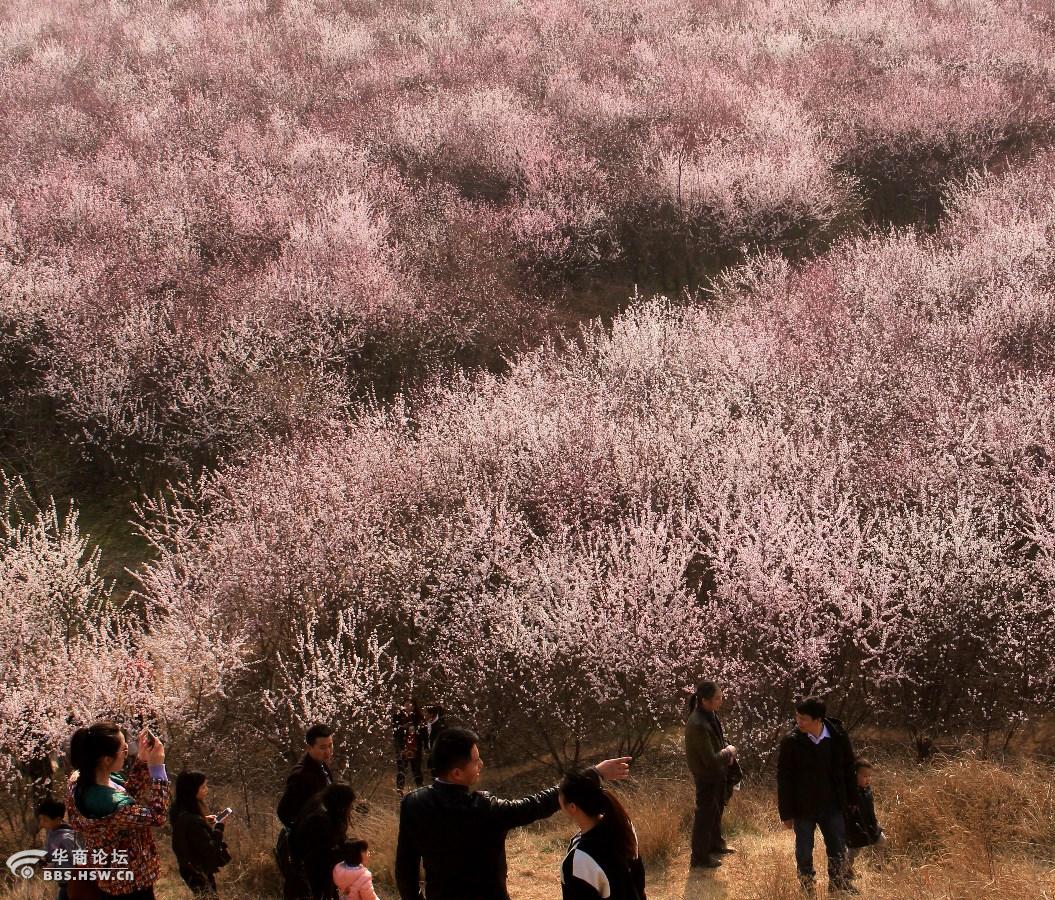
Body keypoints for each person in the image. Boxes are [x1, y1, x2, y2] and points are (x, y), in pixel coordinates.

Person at [395, 726, 631, 900]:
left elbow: (405, 869)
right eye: (476, 760)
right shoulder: (484, 809)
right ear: (457, 773)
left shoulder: (413, 804)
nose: (481, 764)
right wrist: (593, 774)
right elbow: (536, 805)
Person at [65, 722, 170, 900]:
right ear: (106, 759)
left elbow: (126, 796)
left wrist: (143, 761)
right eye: (123, 748)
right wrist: (157, 769)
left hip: (113, 879)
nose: (128, 751)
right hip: (131, 885)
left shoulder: (81, 780)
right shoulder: (112, 807)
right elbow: (157, 816)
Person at [777, 697, 858, 895]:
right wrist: (786, 813)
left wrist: (852, 799)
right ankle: (806, 885)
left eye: (804, 718)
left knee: (837, 847)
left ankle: (838, 884)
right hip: (803, 807)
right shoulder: (792, 741)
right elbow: (784, 779)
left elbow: (849, 769)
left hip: (833, 805)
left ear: (818, 719)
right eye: (797, 717)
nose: (799, 722)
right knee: (804, 850)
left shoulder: (838, 737)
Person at [558, 767, 645, 900]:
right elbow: (638, 882)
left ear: (572, 807)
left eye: (559, 795)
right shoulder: (623, 825)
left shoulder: (578, 860)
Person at [277, 725, 336, 900]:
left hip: (326, 845)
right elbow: (284, 812)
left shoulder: (323, 768)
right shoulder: (301, 775)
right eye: (323, 747)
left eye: (331, 745)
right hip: (310, 851)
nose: (328, 751)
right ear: (309, 748)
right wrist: (307, 833)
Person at [685, 681, 738, 869]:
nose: (721, 700)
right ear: (706, 700)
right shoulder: (698, 722)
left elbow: (716, 744)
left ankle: (715, 845)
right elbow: (710, 759)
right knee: (704, 816)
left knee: (715, 812)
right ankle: (699, 857)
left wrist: (725, 754)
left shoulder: (709, 714)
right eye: (718, 698)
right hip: (706, 776)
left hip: (716, 774)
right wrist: (729, 751)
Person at [290, 783, 359, 900]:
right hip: (312, 870)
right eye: (349, 805)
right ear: (341, 805)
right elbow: (322, 856)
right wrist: (349, 852)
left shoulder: (323, 809)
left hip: (313, 867)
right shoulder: (320, 820)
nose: (350, 809)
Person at [171, 771, 230, 895]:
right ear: (192, 790)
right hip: (197, 870)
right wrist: (219, 826)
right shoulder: (192, 821)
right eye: (203, 787)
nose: (206, 790)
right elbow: (210, 849)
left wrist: (203, 820)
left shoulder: (179, 810)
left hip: (189, 868)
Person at [845, 758, 886, 873]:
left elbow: (870, 809)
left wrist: (875, 824)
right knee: (854, 851)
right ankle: (845, 871)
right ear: (855, 775)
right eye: (864, 776)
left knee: (881, 840)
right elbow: (848, 814)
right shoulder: (851, 793)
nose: (868, 779)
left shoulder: (867, 790)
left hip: (869, 825)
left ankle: (879, 866)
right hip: (856, 828)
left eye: (869, 776)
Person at [37, 797, 81, 900]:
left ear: (57, 820)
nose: (42, 823)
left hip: (72, 884)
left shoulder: (66, 838)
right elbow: (50, 852)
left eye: (45, 820)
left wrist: (55, 864)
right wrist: (45, 859)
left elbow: (80, 858)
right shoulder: (51, 833)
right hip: (62, 883)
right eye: (41, 819)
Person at [393, 702, 425, 796]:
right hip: (403, 746)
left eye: (411, 705)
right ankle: (400, 791)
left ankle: (420, 791)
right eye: (406, 705)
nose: (408, 707)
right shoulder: (398, 716)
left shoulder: (418, 717)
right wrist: (403, 728)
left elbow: (423, 732)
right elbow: (395, 732)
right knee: (401, 769)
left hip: (415, 747)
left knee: (416, 769)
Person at [422, 706, 447, 777]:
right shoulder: (427, 724)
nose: (424, 714)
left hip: (439, 753)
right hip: (432, 751)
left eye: (425, 712)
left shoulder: (440, 726)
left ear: (431, 714)